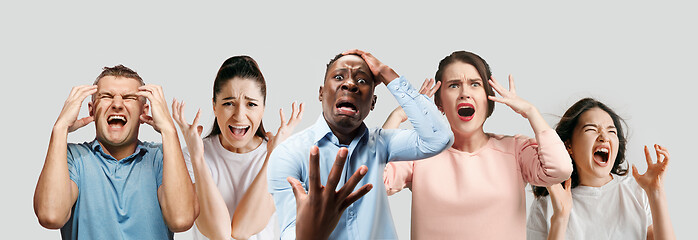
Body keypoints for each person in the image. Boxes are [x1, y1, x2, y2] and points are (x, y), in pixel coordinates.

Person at [383, 50, 573, 239]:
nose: (465, 93)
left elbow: (560, 169)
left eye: (475, 84)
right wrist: (398, 116)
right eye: (454, 85)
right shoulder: (420, 152)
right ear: (438, 103)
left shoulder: (515, 150)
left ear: (488, 98)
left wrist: (531, 112)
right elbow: (373, 183)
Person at [267, 49, 453, 240]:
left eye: (362, 80)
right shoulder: (288, 153)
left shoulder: (382, 143)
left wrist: (386, 72)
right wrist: (311, 232)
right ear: (321, 93)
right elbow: (289, 231)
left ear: (372, 102)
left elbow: (439, 139)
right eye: (339, 77)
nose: (349, 84)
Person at [33, 65, 198, 240]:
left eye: (129, 98)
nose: (117, 104)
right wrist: (60, 129)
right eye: (106, 96)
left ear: (144, 112)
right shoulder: (72, 157)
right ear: (91, 109)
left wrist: (169, 130)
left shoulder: (161, 157)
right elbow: (50, 216)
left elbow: (181, 220)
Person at [172, 56, 303, 240]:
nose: (239, 116)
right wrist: (198, 159)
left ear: (263, 108)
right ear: (214, 106)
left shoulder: (281, 159)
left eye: (251, 104)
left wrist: (273, 156)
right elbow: (219, 233)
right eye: (228, 103)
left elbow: (242, 230)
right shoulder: (191, 156)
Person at [527, 98, 676, 240]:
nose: (604, 136)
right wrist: (560, 217)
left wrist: (656, 192)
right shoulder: (546, 204)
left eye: (612, 131)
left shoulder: (637, 193)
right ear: (568, 146)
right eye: (591, 129)